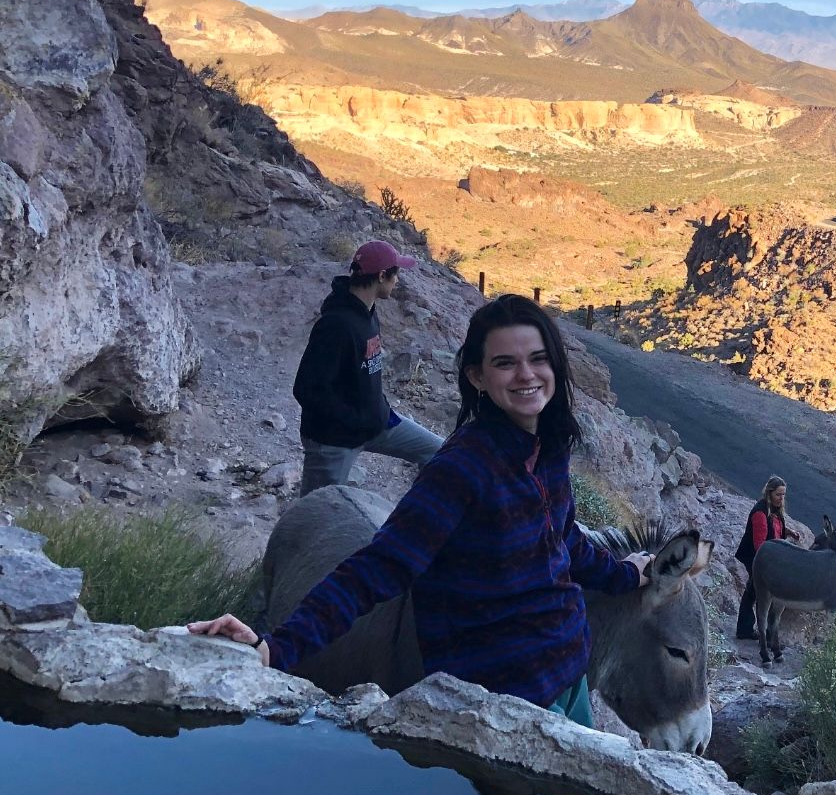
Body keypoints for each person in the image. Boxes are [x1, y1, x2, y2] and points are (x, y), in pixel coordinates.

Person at [190, 294, 651, 726]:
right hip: (503, 703)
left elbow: (562, 538)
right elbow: (379, 567)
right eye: (504, 363)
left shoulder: (546, 446)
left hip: (568, 675)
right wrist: (275, 648)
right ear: (477, 377)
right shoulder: (463, 468)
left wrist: (628, 575)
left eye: (537, 359)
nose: (526, 375)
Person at [293, 239, 445, 495]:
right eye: (396, 274)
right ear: (382, 275)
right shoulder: (336, 325)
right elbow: (307, 390)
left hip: (378, 423)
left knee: (441, 453)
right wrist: (356, 421)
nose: (398, 281)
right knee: (317, 511)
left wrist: (377, 411)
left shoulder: (367, 310)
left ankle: (422, 519)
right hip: (334, 440)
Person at [735, 475, 800, 640]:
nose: (782, 498)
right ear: (770, 493)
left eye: (784, 495)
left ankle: (749, 630)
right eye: (779, 494)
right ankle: (756, 633)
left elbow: (775, 530)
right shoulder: (760, 512)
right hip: (757, 558)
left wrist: (789, 532)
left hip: (768, 558)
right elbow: (760, 546)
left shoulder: (774, 509)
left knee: (754, 593)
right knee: (758, 594)